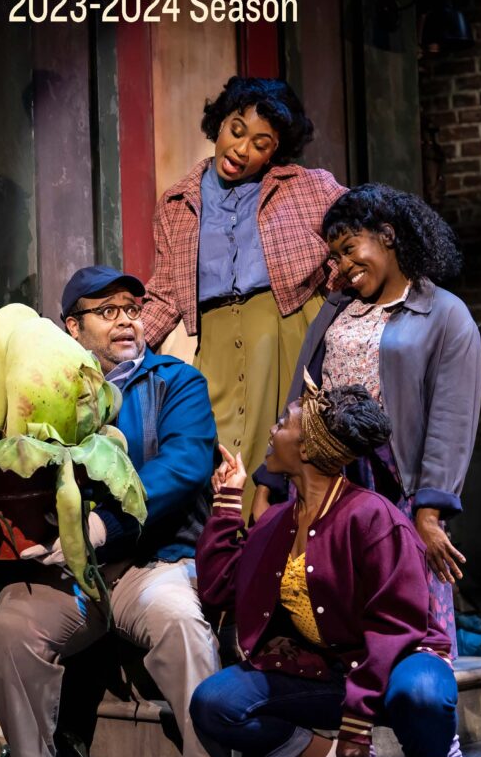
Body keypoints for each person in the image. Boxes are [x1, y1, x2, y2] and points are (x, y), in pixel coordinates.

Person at [0, 265, 234, 757]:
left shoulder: (176, 382)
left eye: (132, 307)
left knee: (179, 622)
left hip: (151, 563)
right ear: (72, 328)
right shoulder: (31, 395)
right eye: (107, 310)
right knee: (13, 629)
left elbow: (184, 467)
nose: (126, 318)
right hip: (66, 576)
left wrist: (102, 525)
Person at [251, 182, 481, 757]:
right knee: (345, 626)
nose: (343, 265)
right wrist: (275, 487)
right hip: (336, 490)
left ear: (387, 232)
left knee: (427, 627)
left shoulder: (443, 315)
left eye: (350, 248)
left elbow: (453, 416)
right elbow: (301, 399)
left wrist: (431, 509)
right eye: (333, 255)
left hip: (403, 491)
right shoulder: (333, 309)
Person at [190, 380, 458, 757]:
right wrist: (227, 503)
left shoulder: (374, 518)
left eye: (282, 424)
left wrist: (357, 723)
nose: (271, 433)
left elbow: (393, 628)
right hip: (323, 672)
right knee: (214, 704)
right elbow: (219, 589)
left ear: (309, 447)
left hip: (392, 669)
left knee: (425, 695)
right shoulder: (277, 521)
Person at [140, 76, 346, 510]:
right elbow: (165, 294)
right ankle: (229, 563)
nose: (242, 150)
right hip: (216, 342)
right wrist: (123, 343)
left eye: (261, 143)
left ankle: (285, 566)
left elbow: (358, 239)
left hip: (291, 332)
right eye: (237, 130)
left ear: (275, 151)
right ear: (219, 124)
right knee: (218, 464)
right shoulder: (177, 203)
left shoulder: (306, 187)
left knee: (290, 461)